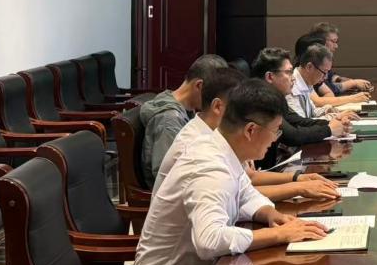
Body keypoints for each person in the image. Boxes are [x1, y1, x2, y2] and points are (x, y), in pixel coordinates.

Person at [128, 80, 328, 265]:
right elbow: (210, 240)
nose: (276, 139)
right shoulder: (208, 166)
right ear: (251, 130)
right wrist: (279, 234)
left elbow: (246, 193)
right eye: (276, 130)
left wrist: (270, 214)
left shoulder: (221, 149)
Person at [153, 59, 340, 202]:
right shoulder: (197, 145)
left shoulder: (215, 136)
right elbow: (215, 231)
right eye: (238, 107)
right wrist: (298, 187)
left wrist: (298, 179)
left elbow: (246, 182)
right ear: (218, 106)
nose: (242, 115)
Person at [251, 47, 351, 166]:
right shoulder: (260, 101)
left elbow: (298, 121)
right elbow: (293, 136)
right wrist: (329, 130)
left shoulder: (276, 98)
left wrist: (334, 123)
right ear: (270, 77)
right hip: (264, 170)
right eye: (288, 72)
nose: (293, 77)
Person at [139, 54, 225, 187]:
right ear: (199, 85)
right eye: (214, 94)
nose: (215, 101)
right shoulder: (169, 120)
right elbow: (168, 176)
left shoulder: (185, 109)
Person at [291, 33, 371, 112]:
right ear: (309, 66)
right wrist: (352, 98)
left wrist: (329, 113)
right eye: (324, 72)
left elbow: (314, 109)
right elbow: (316, 103)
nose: (324, 77)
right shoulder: (294, 82)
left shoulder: (309, 77)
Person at [309, 21, 373, 94]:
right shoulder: (312, 60)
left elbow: (329, 75)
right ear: (320, 41)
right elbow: (329, 88)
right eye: (333, 41)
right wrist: (353, 83)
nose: (336, 46)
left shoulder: (322, 59)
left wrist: (340, 79)